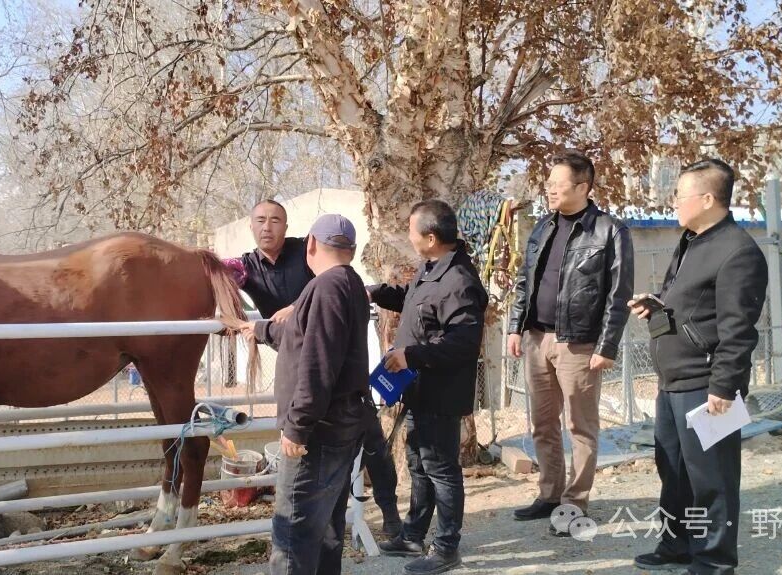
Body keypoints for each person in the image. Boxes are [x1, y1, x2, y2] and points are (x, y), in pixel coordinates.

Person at [231, 199, 402, 538]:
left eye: (275, 220)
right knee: (320, 468)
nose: (267, 227)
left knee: (372, 445)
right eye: (261, 220)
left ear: (290, 228)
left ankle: (390, 515)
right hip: (298, 356)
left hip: (329, 361)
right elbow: (209, 271)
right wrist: (241, 323)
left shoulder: (308, 252)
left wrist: (297, 308)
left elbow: (330, 293)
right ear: (251, 225)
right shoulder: (245, 267)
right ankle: (324, 533)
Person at [629, 159, 767, 575]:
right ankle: (678, 545)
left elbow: (738, 329)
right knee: (674, 473)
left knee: (712, 479)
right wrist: (656, 307)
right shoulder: (691, 241)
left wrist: (724, 387)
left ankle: (714, 560)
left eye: (679, 195)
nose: (673, 202)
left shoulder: (738, 251)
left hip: (708, 385)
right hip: (673, 380)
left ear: (707, 199)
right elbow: (693, 307)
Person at [504, 150, 634, 532]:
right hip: (536, 338)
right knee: (542, 424)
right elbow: (525, 281)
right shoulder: (543, 227)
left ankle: (574, 503)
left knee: (580, 426)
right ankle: (549, 494)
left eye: (557, 184)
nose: (549, 190)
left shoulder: (609, 231)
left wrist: (607, 346)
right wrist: (515, 327)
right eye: (548, 184)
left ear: (583, 187)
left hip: (579, 344)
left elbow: (618, 294)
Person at [369, 200, 488, 575]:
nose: (409, 236)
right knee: (419, 464)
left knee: (441, 469)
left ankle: (446, 547)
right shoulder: (433, 268)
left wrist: (411, 355)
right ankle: (413, 535)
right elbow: (414, 300)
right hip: (418, 389)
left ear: (432, 237)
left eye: (412, 230)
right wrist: (376, 293)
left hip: (441, 392)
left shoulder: (460, 282)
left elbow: (463, 344)